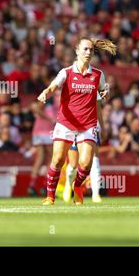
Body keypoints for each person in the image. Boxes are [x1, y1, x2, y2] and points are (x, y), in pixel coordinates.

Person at [37, 37, 116, 205]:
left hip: (87, 124)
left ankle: (78, 187)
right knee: (58, 160)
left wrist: (106, 93)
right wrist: (45, 93)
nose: (88, 53)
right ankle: (50, 196)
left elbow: (103, 94)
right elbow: (53, 86)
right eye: (85, 49)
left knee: (86, 164)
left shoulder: (97, 74)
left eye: (91, 50)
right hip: (66, 123)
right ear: (77, 51)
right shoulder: (66, 72)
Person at [64, 92, 105, 203]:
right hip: (74, 126)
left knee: (94, 158)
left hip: (91, 126)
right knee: (73, 164)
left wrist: (103, 126)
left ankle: (96, 194)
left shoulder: (93, 88)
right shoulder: (72, 85)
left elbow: (98, 110)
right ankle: (68, 185)